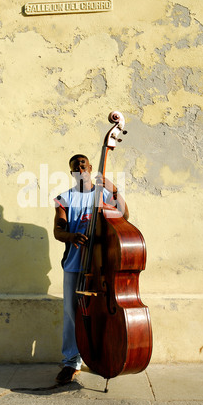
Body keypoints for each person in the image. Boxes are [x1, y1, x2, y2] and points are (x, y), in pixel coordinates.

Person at [53, 154, 129, 384]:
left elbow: (124, 215)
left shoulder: (104, 195)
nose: (80, 168)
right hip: (75, 263)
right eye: (76, 167)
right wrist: (71, 235)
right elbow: (58, 231)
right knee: (70, 313)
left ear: (91, 168)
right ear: (72, 173)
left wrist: (111, 186)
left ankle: (100, 356)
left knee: (102, 312)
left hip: (102, 265)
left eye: (83, 164)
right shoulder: (64, 198)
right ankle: (71, 361)